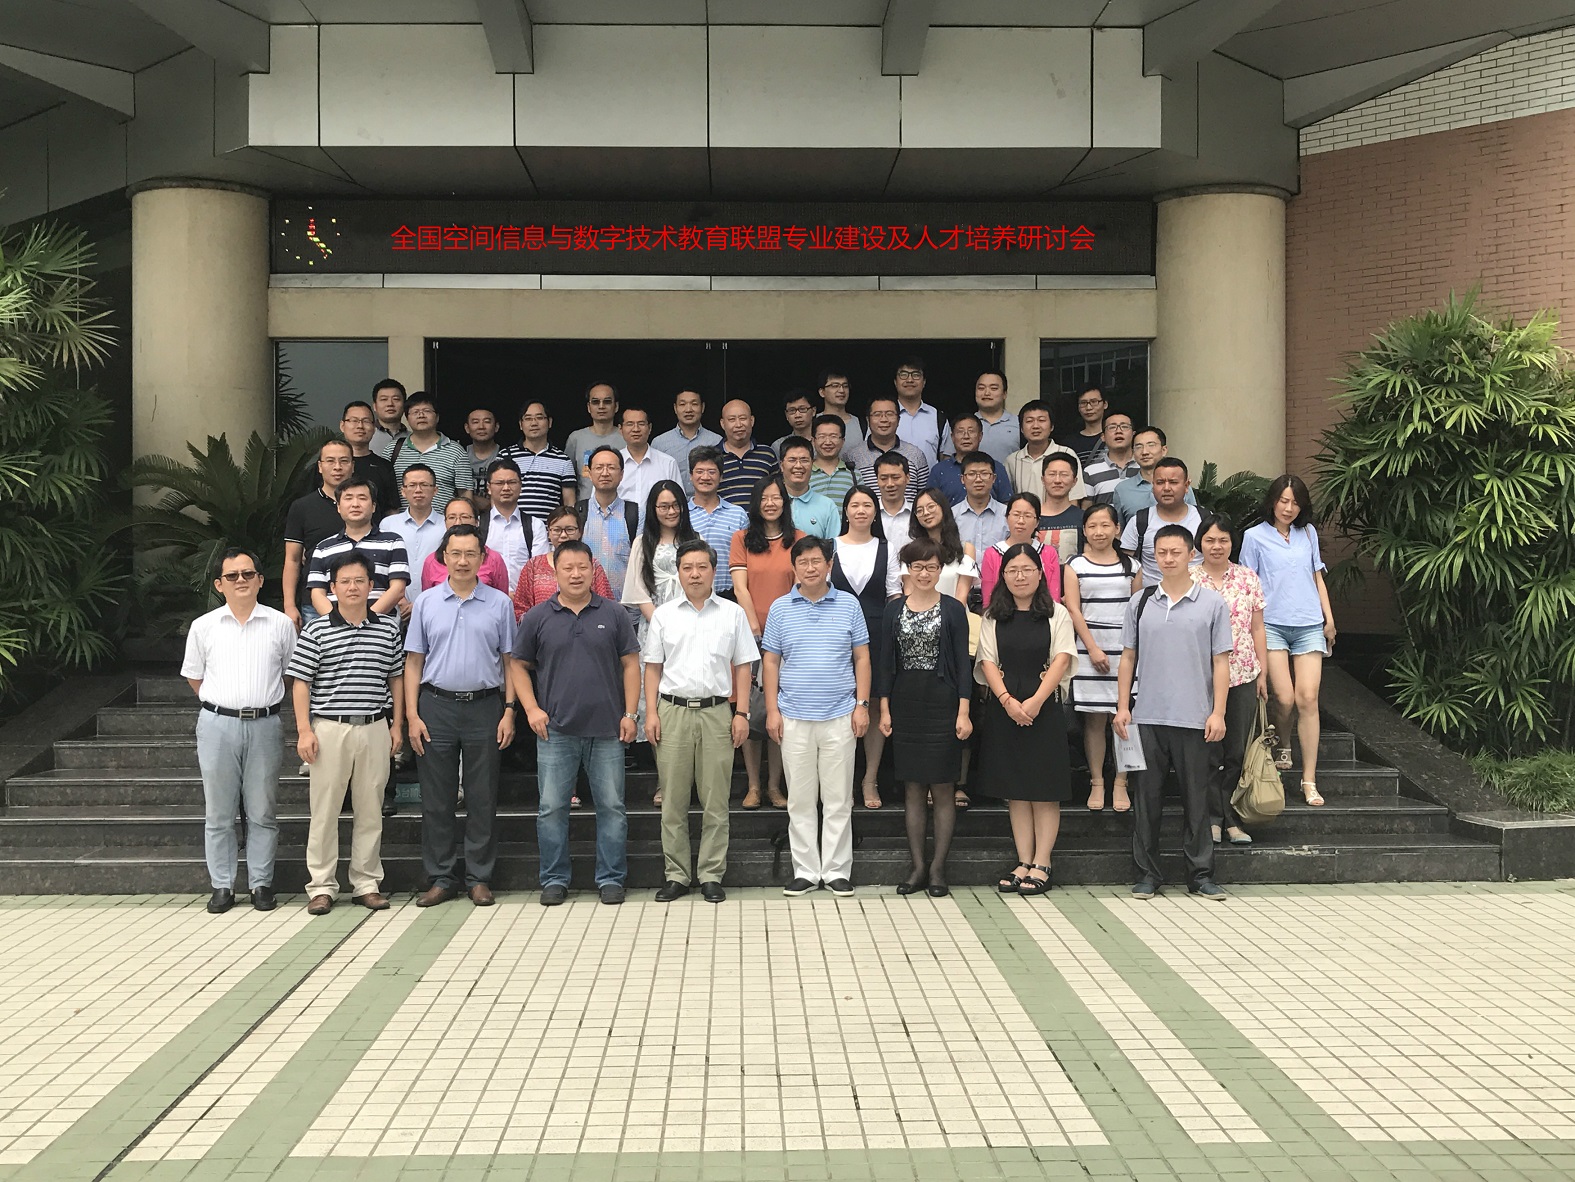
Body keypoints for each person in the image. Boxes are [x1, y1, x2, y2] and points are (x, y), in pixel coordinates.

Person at [512, 540, 640, 906]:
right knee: (552, 808)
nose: (575, 574)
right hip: (556, 731)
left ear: (593, 569)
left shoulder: (614, 613)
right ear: (555, 572)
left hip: (608, 729)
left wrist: (631, 714)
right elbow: (517, 665)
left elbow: (631, 664)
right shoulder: (538, 616)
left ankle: (611, 878)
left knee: (612, 807)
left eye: (582, 567)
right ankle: (554, 879)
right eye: (567, 568)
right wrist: (531, 709)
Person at [1113, 524, 1233, 901]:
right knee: (1146, 799)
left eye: (1175, 552)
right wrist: (1122, 706)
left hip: (1195, 717)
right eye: (1161, 552)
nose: (1168, 559)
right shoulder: (1141, 602)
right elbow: (1127, 657)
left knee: (1197, 800)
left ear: (1191, 555)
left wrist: (1218, 712)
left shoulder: (1212, 603)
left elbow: (1221, 662)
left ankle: (1201, 875)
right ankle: (1147, 874)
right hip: (1147, 716)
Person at [288, 550, 406, 915]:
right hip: (329, 728)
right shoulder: (316, 629)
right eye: (345, 581)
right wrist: (304, 730)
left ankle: (366, 883)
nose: (352, 587)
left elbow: (396, 678)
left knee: (371, 810)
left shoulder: (388, 629)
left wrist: (397, 724)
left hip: (374, 726)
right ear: (333, 587)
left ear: (371, 586)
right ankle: (322, 886)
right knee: (324, 811)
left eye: (359, 581)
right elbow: (301, 682)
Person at [405, 524, 517, 908]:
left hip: (485, 707)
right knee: (437, 798)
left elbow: (510, 661)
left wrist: (509, 710)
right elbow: (413, 662)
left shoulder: (500, 604)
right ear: (444, 557)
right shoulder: (426, 603)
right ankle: (441, 876)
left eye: (471, 553)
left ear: (483, 558)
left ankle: (479, 877)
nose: (463, 561)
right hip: (435, 706)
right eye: (456, 553)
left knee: (482, 795)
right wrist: (412, 715)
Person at [183, 547, 297, 914]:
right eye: (232, 576)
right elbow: (195, 677)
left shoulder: (281, 624)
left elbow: (292, 674)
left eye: (248, 574)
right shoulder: (204, 626)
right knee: (218, 812)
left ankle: (261, 883)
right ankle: (222, 885)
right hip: (217, 725)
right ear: (219, 584)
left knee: (263, 809)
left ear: (261, 580)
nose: (241, 581)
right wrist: (224, 705)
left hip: (264, 724)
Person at [645, 539, 758, 904]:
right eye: (687, 568)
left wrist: (742, 713)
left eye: (702, 567)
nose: (694, 574)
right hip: (672, 712)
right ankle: (676, 875)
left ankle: (711, 874)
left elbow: (744, 665)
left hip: (717, 712)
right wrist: (650, 713)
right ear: (678, 572)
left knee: (716, 801)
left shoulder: (732, 613)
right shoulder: (664, 615)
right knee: (673, 802)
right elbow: (653, 668)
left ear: (714, 571)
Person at [763, 536, 872, 897]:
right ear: (794, 567)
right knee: (800, 799)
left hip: (840, 714)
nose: (810, 568)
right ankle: (807, 871)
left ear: (829, 565)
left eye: (816, 561)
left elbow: (862, 657)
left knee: (839, 798)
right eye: (803, 562)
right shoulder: (780, 608)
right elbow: (771, 661)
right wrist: (773, 710)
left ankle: (837, 870)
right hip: (793, 716)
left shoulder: (849, 605)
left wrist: (862, 704)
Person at [974, 542, 1078, 897]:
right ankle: (1023, 860)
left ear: (1040, 574)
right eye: (1012, 571)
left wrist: (1034, 701)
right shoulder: (993, 615)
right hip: (1005, 709)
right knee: (1016, 790)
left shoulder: (1056, 613)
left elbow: (1062, 658)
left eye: (1027, 570)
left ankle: (1043, 862)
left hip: (1043, 708)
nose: (1020, 577)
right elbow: (987, 661)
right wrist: (1007, 701)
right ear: (1003, 576)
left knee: (1044, 790)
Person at [877, 537, 973, 897]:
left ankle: (938, 870)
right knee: (913, 788)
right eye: (917, 566)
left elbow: (963, 664)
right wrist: (884, 708)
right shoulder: (893, 610)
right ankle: (917, 867)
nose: (924, 573)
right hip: (906, 703)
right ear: (908, 570)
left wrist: (964, 711)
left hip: (944, 702)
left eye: (931, 567)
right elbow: (885, 663)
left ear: (940, 570)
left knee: (943, 788)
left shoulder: (953, 609)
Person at [1239, 475, 1337, 807]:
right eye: (1283, 500)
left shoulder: (1307, 533)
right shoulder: (1254, 536)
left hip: (1309, 623)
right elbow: (1247, 585)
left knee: (1308, 698)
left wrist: (1329, 619)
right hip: (1271, 624)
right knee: (1283, 698)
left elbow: (1317, 577)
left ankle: (1309, 780)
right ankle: (1283, 742)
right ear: (1272, 501)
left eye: (1295, 502)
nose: (1289, 507)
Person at [729, 475, 803, 809]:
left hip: (790, 636)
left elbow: (802, 586)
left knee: (778, 712)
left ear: (785, 502)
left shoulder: (798, 539)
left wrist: (782, 628)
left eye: (776, 497)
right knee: (750, 708)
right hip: (750, 634)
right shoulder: (741, 538)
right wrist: (754, 627)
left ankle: (774, 786)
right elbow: (740, 587)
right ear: (756, 504)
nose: (770, 503)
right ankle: (753, 786)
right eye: (764, 498)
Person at [1193, 514, 1267, 844]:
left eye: (1223, 540)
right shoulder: (1190, 579)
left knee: (1236, 751)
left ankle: (1231, 818)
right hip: (1202, 678)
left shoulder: (1247, 577)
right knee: (1209, 752)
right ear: (1200, 543)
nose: (1216, 546)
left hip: (1243, 674)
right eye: (1210, 540)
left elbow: (1258, 627)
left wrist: (1262, 672)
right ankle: (1213, 818)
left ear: (1232, 542)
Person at [1064, 504, 1142, 813]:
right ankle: (1097, 781)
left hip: (1125, 649)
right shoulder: (1075, 565)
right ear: (1084, 530)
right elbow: (1073, 608)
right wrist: (1093, 648)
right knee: (1094, 719)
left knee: (1124, 717)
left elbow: (1136, 610)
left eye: (1105, 525)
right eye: (1092, 526)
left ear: (1117, 529)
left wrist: (1129, 649)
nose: (1099, 531)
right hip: (1089, 647)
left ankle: (1121, 782)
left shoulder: (1132, 566)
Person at [622, 481, 700, 788]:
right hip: (654, 628)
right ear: (653, 510)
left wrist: (685, 626)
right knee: (656, 701)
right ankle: (665, 782)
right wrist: (663, 625)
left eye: (675, 505)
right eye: (663, 506)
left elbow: (703, 585)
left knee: (690, 698)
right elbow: (638, 591)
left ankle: (690, 779)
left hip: (694, 629)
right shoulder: (643, 543)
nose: (670, 511)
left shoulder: (695, 539)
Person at [832, 486, 900, 811]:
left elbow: (894, 595)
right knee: (840, 704)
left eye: (867, 505)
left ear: (875, 512)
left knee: (873, 704)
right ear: (845, 511)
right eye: (855, 505)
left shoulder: (887, 547)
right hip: (835, 633)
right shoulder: (829, 546)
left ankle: (869, 777)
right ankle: (842, 779)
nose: (861, 510)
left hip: (878, 631)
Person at [306, 477, 409, 619]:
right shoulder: (323, 548)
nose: (355, 504)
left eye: (362, 498)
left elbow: (398, 589)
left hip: (381, 627)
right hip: (335, 629)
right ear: (339, 507)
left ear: (373, 506)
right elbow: (317, 594)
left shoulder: (393, 542)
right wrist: (338, 622)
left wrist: (366, 620)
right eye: (348, 498)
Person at [283, 439, 355, 628]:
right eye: (330, 461)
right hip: (314, 602)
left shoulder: (364, 504)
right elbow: (292, 559)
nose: (337, 467)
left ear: (352, 466)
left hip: (360, 601)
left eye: (344, 461)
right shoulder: (302, 507)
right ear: (320, 467)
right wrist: (289, 605)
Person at [511, 505, 615, 618]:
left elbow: (606, 605)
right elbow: (520, 607)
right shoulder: (534, 565)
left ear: (580, 532)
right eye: (557, 530)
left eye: (570, 529)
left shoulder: (592, 565)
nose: (563, 535)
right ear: (549, 532)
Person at [1119, 457, 1203, 586]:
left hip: (1198, 594)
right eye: (1160, 482)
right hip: (1152, 595)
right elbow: (1126, 566)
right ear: (1153, 486)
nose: (1166, 488)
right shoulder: (1139, 522)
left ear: (1186, 486)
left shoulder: (1204, 519)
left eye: (1173, 482)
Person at [381, 463, 444, 617]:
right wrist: (400, 600)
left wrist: (422, 604)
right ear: (403, 491)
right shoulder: (388, 524)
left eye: (424, 485)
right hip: (395, 608)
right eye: (412, 485)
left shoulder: (446, 525)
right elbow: (383, 565)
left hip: (437, 607)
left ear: (435, 490)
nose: (418, 490)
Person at [685, 447, 749, 597]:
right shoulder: (681, 515)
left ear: (721, 477)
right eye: (699, 471)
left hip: (729, 595)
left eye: (712, 472)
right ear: (691, 476)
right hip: (690, 595)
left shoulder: (738, 514)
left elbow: (747, 559)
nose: (705, 477)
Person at [978, 493, 1063, 605]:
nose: (1021, 521)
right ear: (1007, 518)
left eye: (1027, 516)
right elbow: (988, 600)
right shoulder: (992, 553)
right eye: (1016, 515)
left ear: (1037, 522)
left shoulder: (1049, 553)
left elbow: (1054, 599)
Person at [577, 446, 639, 597]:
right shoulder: (578, 512)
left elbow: (642, 562)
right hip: (585, 603)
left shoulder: (636, 513)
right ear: (589, 473)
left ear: (622, 474)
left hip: (625, 605)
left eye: (611, 467)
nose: (605, 473)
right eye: (599, 468)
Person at [498, 401, 577, 519]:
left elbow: (569, 503)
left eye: (539, 418)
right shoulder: (505, 456)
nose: (534, 423)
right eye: (528, 418)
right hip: (510, 526)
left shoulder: (563, 460)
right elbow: (495, 495)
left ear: (550, 422)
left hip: (548, 528)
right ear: (520, 424)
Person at [482, 457, 551, 593]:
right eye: (499, 483)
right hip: (487, 599)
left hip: (525, 600)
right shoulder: (479, 525)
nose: (506, 488)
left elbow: (540, 571)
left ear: (520, 486)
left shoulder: (535, 526)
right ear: (489, 488)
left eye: (512, 482)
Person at [392, 391, 469, 511]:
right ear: (407, 418)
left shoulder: (456, 451)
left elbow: (465, 494)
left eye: (427, 411)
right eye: (415, 412)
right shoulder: (393, 449)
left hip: (443, 521)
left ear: (437, 417)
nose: (421, 415)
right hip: (402, 522)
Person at [422, 493, 511, 595]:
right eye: (451, 517)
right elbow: (428, 599)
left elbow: (501, 599)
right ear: (445, 522)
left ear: (477, 522)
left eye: (464, 517)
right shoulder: (431, 561)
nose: (458, 523)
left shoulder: (494, 559)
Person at [847, 395, 929, 499]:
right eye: (877, 414)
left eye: (890, 414)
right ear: (868, 420)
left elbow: (924, 497)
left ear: (898, 420)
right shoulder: (852, 457)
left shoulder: (916, 455)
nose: (884, 419)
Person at [1110, 426, 1197, 522]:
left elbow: (1194, 520)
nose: (1144, 452)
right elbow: (1119, 528)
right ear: (1133, 453)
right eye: (1138, 447)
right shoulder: (1122, 490)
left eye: (1151, 445)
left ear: (1164, 450)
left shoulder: (1180, 486)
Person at [906, 489, 977, 606]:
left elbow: (962, 595)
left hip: (953, 613)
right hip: (918, 614)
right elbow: (908, 591)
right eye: (919, 510)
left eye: (931, 507)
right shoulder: (911, 550)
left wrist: (950, 615)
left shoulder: (966, 549)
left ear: (943, 507)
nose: (926, 513)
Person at [1006, 400, 1087, 500]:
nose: (1035, 426)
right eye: (1029, 421)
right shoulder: (1012, 460)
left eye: (1041, 420)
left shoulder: (1067, 454)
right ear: (1021, 428)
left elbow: (1074, 497)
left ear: (1052, 426)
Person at [652, 388, 722, 495]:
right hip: (672, 503)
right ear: (675, 408)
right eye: (682, 404)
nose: (688, 409)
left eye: (694, 404)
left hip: (706, 501)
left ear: (702, 407)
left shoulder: (716, 441)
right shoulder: (659, 443)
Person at [932, 416, 1014, 505]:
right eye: (960, 432)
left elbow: (1006, 504)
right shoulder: (939, 470)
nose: (966, 436)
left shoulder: (996, 468)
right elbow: (931, 504)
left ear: (980, 436)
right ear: (952, 437)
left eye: (971, 431)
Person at [564, 382, 623, 501]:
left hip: (620, 507)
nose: (601, 406)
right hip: (584, 509)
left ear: (616, 406)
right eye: (595, 402)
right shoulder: (576, 438)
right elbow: (568, 481)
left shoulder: (626, 437)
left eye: (607, 402)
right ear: (588, 407)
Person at [617, 405, 684, 509]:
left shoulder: (668, 463)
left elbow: (679, 502)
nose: (636, 429)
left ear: (650, 428)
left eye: (641, 424)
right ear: (620, 429)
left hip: (658, 519)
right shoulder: (612, 463)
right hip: (620, 519)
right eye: (630, 424)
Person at [717, 399, 780, 506]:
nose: (738, 424)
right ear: (723, 424)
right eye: (732, 419)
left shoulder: (767, 454)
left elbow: (778, 491)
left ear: (752, 421)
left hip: (762, 516)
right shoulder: (713, 457)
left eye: (743, 418)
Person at [340, 400, 399, 513]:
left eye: (366, 421)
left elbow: (392, 510)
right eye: (354, 421)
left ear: (374, 427)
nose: (360, 426)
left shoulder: (384, 467)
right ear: (342, 426)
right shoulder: (328, 465)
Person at [777, 436, 840, 539]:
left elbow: (833, 546)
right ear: (781, 465)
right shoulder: (770, 504)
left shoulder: (827, 506)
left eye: (804, 460)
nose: (798, 466)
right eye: (792, 460)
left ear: (812, 464)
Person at [952, 451, 1010, 558]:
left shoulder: (1007, 515)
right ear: (962, 479)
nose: (978, 479)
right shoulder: (951, 516)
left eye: (984, 474)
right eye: (971, 474)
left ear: (994, 478)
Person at [892, 356, 948, 465]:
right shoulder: (883, 416)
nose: (909, 380)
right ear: (895, 382)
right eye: (903, 374)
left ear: (924, 382)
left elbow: (945, 460)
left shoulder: (938, 418)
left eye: (916, 375)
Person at [873, 453, 915, 597]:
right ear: (877, 480)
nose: (890, 484)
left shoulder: (918, 515)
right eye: (884, 478)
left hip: (913, 588)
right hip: (875, 589)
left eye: (896, 477)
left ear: (907, 478)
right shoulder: (868, 516)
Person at [1038, 454, 1086, 567]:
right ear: (1043, 479)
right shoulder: (1031, 517)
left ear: (1074, 481)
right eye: (1052, 474)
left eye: (1064, 475)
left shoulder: (1083, 518)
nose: (1057, 480)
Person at [1081, 413, 1139, 506]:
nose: (1118, 431)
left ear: (1133, 434)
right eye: (1112, 427)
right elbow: (1086, 510)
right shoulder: (1090, 472)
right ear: (1103, 437)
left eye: (1124, 427)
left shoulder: (1145, 467)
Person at [972, 371, 1020, 464]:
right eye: (981, 388)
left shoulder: (1019, 424)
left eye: (993, 388)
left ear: (1004, 394)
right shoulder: (964, 425)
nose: (986, 393)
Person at [808, 414, 858, 504]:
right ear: (813, 441)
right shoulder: (804, 473)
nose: (828, 442)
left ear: (843, 441)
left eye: (833, 436)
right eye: (822, 437)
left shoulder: (854, 474)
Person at [1062, 381, 1109, 463]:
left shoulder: (1114, 436)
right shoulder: (1069, 444)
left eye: (1094, 402)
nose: (1088, 407)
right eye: (1083, 403)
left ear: (1105, 404)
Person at [817, 369, 862, 451]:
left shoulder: (862, 424)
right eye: (835, 386)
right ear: (822, 392)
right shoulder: (811, 422)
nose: (841, 390)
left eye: (845, 386)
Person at [462, 406, 502, 492]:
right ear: (467, 428)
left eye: (487, 422)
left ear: (496, 427)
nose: (481, 427)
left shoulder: (506, 455)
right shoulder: (460, 454)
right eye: (475, 422)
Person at [771, 388, 818, 456]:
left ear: (813, 411)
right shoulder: (778, 445)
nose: (797, 415)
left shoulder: (824, 442)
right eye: (792, 410)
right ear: (786, 415)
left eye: (802, 409)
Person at [369, 378, 407, 459]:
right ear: (375, 406)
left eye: (396, 399)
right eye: (384, 399)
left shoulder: (413, 439)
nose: (390, 404)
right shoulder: (365, 437)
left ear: (404, 405)